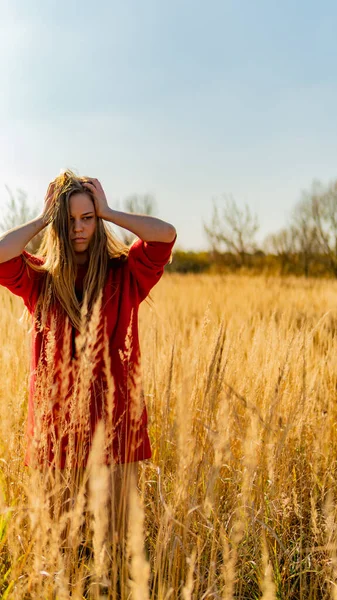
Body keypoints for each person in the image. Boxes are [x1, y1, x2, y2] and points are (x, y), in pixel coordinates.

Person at [0, 170, 176, 577]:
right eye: (70, 220)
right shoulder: (40, 279)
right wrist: (44, 219)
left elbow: (165, 235)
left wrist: (111, 211)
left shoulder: (125, 272)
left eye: (87, 218)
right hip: (56, 431)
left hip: (116, 430)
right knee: (61, 552)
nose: (78, 229)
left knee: (113, 550)